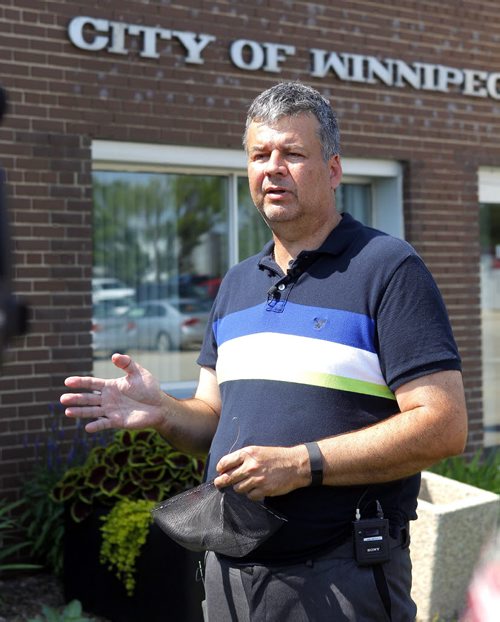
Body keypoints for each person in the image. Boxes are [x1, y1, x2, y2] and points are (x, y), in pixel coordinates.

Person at [61, 81, 468, 621]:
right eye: (260, 154)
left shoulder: (387, 269)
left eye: (293, 153)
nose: (273, 167)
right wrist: (164, 412)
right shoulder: (235, 285)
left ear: (334, 169)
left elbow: (444, 424)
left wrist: (302, 465)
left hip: (341, 579)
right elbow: (211, 420)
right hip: (229, 574)